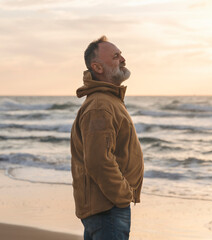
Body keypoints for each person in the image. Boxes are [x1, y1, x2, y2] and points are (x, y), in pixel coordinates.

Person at [70, 36, 144, 240]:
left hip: (105, 207)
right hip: (108, 209)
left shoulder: (108, 101)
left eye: (121, 54)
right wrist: (122, 196)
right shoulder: (101, 106)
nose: (123, 59)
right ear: (98, 67)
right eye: (116, 56)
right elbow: (98, 161)